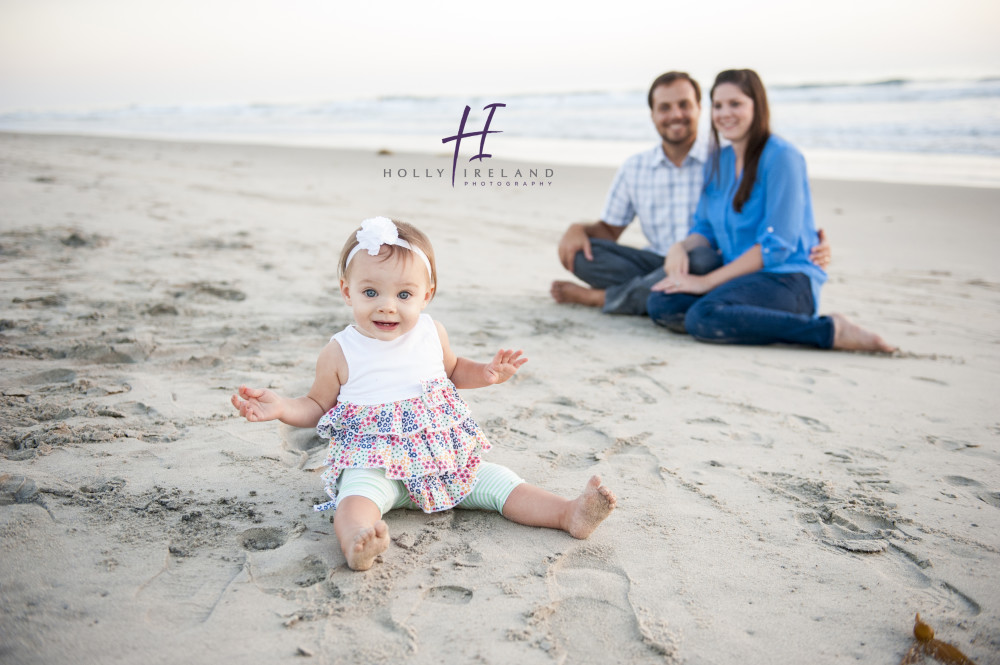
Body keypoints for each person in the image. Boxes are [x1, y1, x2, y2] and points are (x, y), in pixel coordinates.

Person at [231, 217, 617, 571]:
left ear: (426, 295)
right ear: (347, 292)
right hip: (375, 463)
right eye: (370, 292)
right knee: (354, 503)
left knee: (499, 482)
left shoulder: (432, 333)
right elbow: (316, 405)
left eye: (403, 295)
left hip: (441, 462)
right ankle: (357, 543)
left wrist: (486, 373)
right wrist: (281, 406)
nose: (387, 305)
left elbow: (452, 371)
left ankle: (569, 514)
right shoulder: (340, 351)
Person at [646, 69, 894, 352]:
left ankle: (831, 330)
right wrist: (680, 246)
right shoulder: (718, 162)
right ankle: (737, 315)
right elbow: (704, 230)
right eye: (718, 105)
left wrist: (704, 282)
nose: (725, 113)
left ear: (756, 106)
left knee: (703, 316)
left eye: (735, 104)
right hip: (739, 278)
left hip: (787, 279)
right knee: (661, 302)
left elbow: (775, 246)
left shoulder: (782, 157)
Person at [550, 71, 829, 315]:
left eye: (684, 105)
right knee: (583, 254)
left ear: (698, 108)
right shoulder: (635, 167)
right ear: (653, 114)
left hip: (711, 264)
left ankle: (607, 298)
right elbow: (610, 231)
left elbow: (783, 223)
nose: (675, 115)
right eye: (665, 107)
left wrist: (813, 247)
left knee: (701, 258)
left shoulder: (724, 158)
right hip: (658, 262)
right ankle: (654, 290)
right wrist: (578, 229)